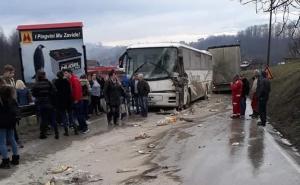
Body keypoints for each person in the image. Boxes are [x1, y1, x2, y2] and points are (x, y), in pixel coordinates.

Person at [32, 71, 59, 139]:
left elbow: (33, 94)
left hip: (41, 104)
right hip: (50, 103)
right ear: (45, 75)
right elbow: (55, 91)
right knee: (53, 119)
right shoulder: (49, 82)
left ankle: (43, 134)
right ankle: (56, 133)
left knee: (43, 119)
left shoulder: (36, 84)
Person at [0, 77, 20, 169]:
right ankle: (16, 158)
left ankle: (5, 161)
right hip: (11, 120)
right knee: (12, 139)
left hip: (1, 122)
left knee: (2, 142)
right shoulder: (11, 94)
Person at [63, 69, 89, 133]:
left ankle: (85, 128)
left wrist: (77, 99)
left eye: (66, 73)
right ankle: (81, 126)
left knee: (80, 115)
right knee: (78, 115)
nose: (65, 75)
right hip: (75, 100)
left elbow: (78, 90)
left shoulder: (74, 79)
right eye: (64, 73)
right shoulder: (72, 79)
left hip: (77, 100)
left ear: (69, 73)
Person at [53, 71, 73, 136]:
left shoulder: (56, 82)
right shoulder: (66, 81)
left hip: (61, 102)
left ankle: (66, 131)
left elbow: (55, 93)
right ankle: (75, 129)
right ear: (62, 75)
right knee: (70, 115)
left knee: (64, 117)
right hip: (68, 101)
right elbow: (70, 91)